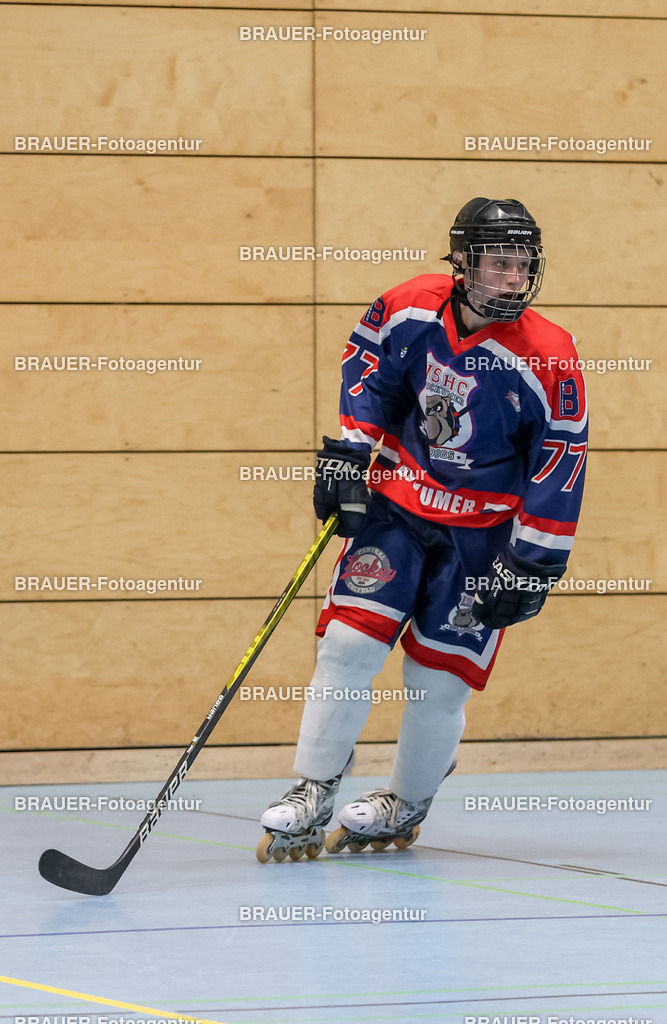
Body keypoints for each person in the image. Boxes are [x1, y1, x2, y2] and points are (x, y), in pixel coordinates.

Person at [256, 197, 588, 862]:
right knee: (347, 645)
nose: (511, 278)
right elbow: (368, 370)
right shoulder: (410, 306)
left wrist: (531, 563)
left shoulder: (549, 354)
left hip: (482, 536)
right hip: (400, 508)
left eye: (521, 264)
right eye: (497, 263)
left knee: (437, 682)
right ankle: (313, 788)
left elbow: (561, 456)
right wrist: (351, 452)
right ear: (461, 261)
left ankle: (405, 801)